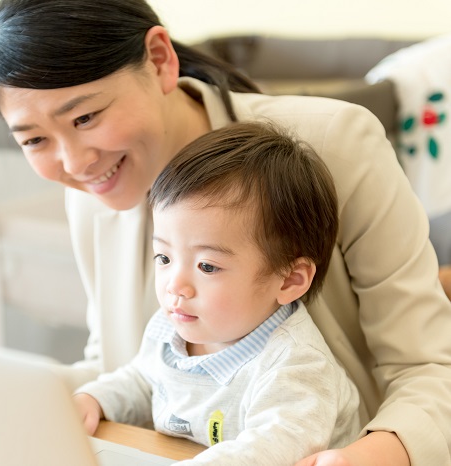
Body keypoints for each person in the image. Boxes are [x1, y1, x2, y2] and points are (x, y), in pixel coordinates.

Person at [0, 1, 451, 464]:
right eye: (34, 140)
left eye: (85, 118)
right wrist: (12, 399)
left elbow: (427, 365)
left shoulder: (335, 143)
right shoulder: (88, 191)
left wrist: (377, 454)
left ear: (161, 60)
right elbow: (125, 362)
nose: (75, 162)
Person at [73, 121, 361, 465]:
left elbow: (272, 447)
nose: (175, 285)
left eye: (207, 267)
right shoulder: (172, 326)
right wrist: (94, 400)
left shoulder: (297, 366)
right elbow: (142, 380)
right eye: (164, 257)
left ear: (289, 280)